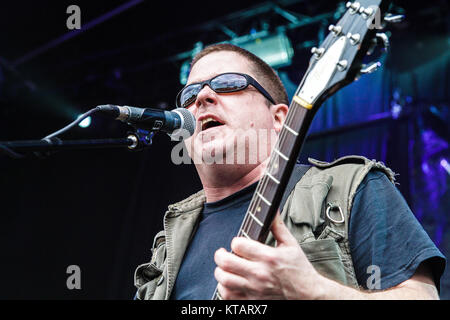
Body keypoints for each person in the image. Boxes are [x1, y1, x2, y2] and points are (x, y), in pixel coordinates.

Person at [134, 43, 446, 300]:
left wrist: (314, 290)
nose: (202, 97)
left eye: (227, 84)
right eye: (189, 95)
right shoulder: (168, 241)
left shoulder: (347, 189)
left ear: (280, 118)